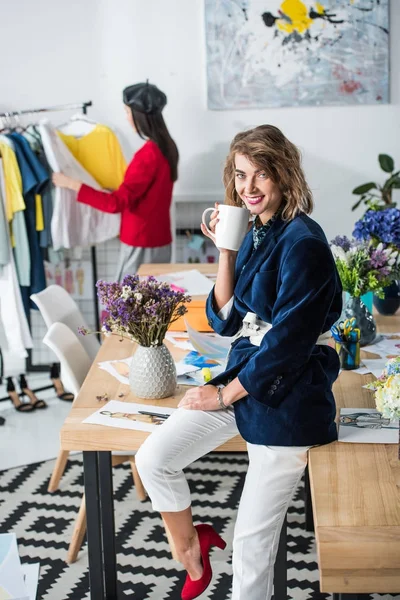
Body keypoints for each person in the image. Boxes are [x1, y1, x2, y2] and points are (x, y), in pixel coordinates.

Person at [135, 124, 342, 600]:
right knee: (154, 458)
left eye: (261, 175)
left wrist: (222, 393)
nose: (248, 187)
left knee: (251, 550)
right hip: (247, 377)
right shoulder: (257, 232)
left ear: (285, 175)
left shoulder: (304, 243)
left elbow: (289, 344)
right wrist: (226, 251)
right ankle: (191, 548)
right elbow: (226, 321)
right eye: (240, 174)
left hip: (287, 397)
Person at [52, 81, 179, 280]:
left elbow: (115, 204)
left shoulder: (148, 155)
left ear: (139, 116)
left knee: (129, 306)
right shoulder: (167, 147)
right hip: (159, 239)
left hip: (141, 242)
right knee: (153, 303)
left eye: (128, 112)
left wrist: (72, 184)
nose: (127, 118)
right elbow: (145, 194)